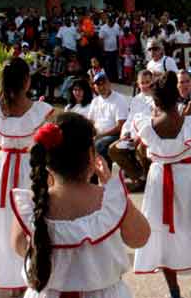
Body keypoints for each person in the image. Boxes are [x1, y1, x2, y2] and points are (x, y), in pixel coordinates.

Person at [10, 113, 150, 298]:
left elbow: (19, 247)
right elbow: (139, 238)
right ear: (91, 156)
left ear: (47, 162)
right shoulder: (110, 201)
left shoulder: (33, 205)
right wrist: (110, 185)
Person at [133, 72, 191, 298]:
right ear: (177, 99)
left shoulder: (148, 126)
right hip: (185, 178)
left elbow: (143, 151)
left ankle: (174, 292)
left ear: (156, 100)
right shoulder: (190, 123)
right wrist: (184, 116)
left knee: (162, 233)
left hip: (158, 177)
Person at [0, 57, 55, 294]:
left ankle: (8, 278)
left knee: (2, 221)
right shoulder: (40, 111)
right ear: (27, 82)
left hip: (3, 167)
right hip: (30, 169)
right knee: (29, 219)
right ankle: (29, 274)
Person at [89, 71, 130, 169]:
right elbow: (90, 121)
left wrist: (99, 136)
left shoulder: (119, 99)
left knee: (99, 145)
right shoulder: (95, 101)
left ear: (109, 83)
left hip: (114, 136)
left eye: (104, 83)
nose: (101, 87)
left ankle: (102, 174)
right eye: (98, 84)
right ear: (94, 87)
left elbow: (120, 126)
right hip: (98, 134)